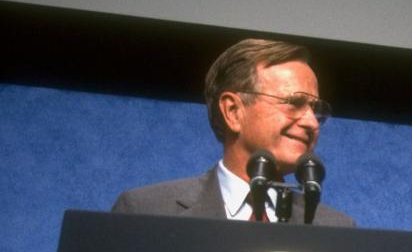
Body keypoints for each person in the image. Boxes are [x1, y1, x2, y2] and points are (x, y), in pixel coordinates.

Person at [112, 38, 353, 226]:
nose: (311, 122)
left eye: (316, 109)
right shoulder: (147, 212)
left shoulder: (336, 229)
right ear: (233, 111)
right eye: (294, 103)